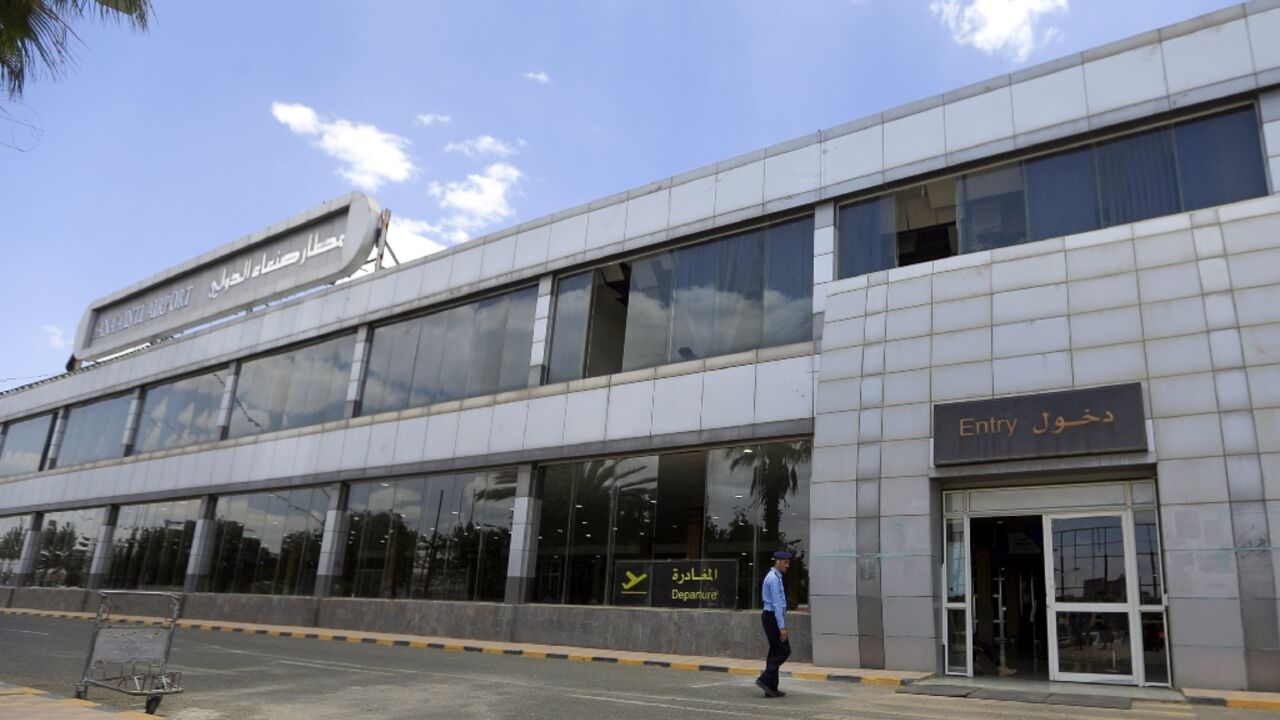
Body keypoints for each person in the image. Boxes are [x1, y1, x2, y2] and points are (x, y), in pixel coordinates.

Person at [756, 550, 792, 698]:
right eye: (785, 562)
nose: (787, 565)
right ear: (778, 561)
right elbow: (777, 604)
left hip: (771, 616)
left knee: (775, 652)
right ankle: (764, 679)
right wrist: (782, 627)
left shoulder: (775, 577)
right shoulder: (773, 579)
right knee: (784, 650)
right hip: (772, 617)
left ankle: (771, 688)